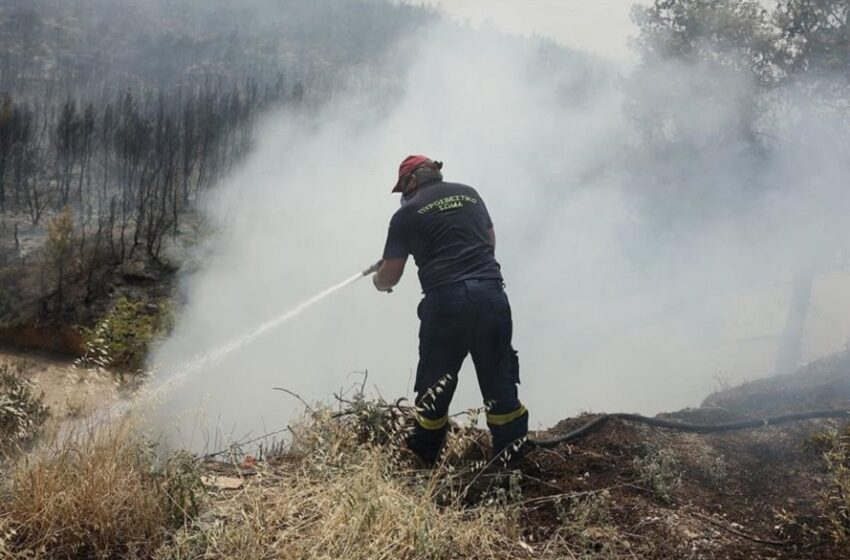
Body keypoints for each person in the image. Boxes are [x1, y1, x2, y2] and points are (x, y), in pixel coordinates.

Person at [372, 155, 528, 466]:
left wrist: (379, 278)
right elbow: (489, 241)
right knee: (500, 383)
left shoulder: (406, 214)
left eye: (402, 188)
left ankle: (423, 464)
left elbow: (391, 275)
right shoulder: (470, 194)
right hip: (491, 295)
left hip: (446, 305)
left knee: (435, 387)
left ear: (411, 181)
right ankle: (511, 468)